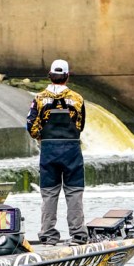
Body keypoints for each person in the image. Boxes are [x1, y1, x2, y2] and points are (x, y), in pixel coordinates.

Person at [26, 59, 89, 245]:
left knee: (49, 193)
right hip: (72, 150)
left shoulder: (39, 99)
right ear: (67, 77)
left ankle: (48, 235)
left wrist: (41, 137)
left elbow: (31, 125)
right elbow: (80, 125)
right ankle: (78, 235)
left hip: (49, 150)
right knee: (74, 192)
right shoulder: (77, 99)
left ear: (50, 76)